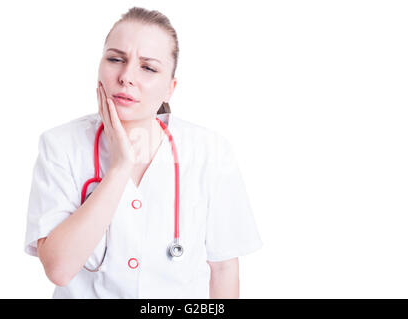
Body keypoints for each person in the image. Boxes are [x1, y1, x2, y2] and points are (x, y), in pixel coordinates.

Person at [24, 6, 263, 299]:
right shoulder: (60, 145)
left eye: (148, 67)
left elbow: (224, 269)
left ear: (169, 89)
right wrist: (120, 168)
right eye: (115, 59)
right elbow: (59, 269)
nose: (126, 76)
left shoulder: (209, 151)